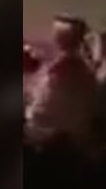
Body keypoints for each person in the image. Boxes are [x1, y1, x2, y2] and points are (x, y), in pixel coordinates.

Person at [26, 16, 97, 146]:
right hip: (71, 134)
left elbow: (49, 105)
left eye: (56, 33)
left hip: (58, 137)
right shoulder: (83, 67)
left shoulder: (64, 67)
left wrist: (30, 114)